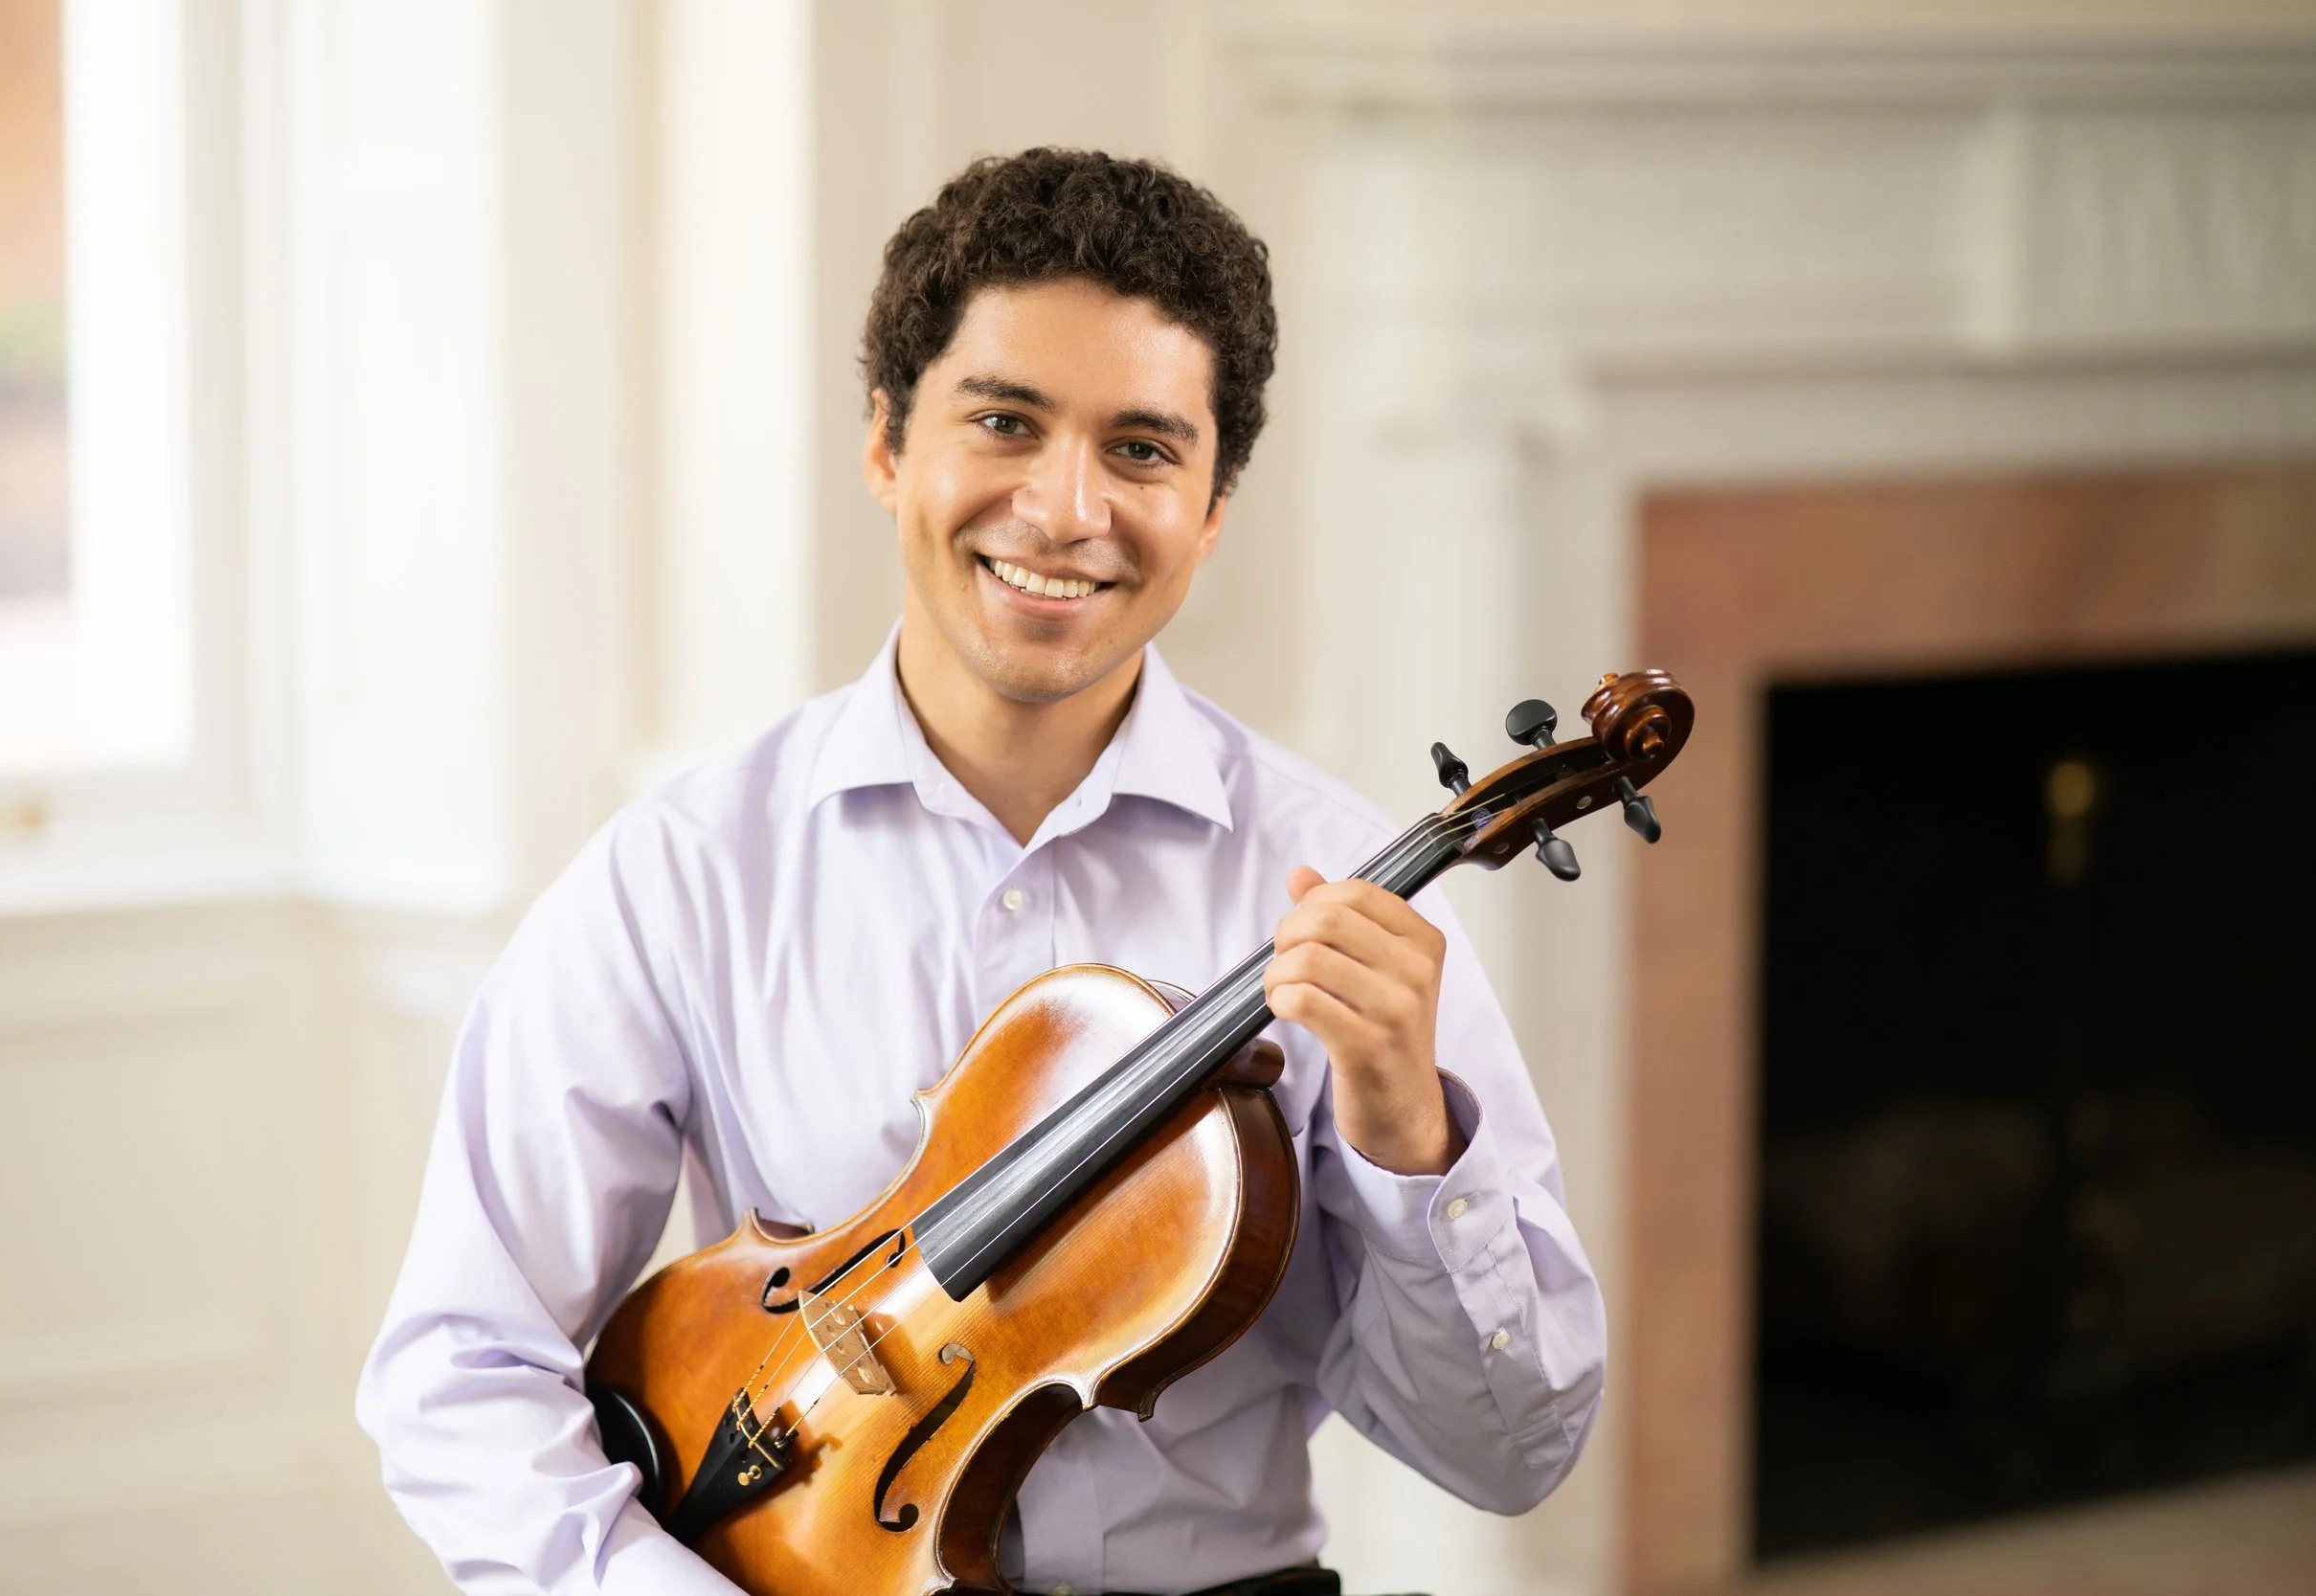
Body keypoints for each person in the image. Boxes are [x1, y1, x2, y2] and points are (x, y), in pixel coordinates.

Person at [358, 147, 1604, 1596]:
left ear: (1210, 509)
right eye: (1004, 421)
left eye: (1143, 449)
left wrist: (1408, 1132)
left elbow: (1511, 1452)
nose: (1067, 507)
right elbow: (460, 1365)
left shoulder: (1339, 891)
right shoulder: (687, 872)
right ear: (888, 443)